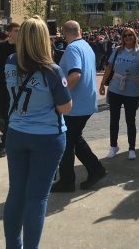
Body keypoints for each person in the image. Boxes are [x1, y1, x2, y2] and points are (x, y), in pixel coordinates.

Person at [3, 17, 72, 249]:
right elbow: (65, 107)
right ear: (44, 39)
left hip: (16, 132)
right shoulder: (52, 70)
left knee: (16, 193)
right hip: (47, 137)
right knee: (37, 197)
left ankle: (13, 245)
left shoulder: (11, 61)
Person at [52, 21, 106, 192]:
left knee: (67, 143)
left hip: (75, 106)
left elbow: (75, 74)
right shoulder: (86, 46)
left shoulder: (73, 48)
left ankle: (68, 181)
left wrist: (59, 93)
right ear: (80, 31)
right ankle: (95, 170)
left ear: (64, 32)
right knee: (74, 139)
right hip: (86, 102)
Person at [99, 27, 139, 160]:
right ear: (122, 38)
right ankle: (113, 146)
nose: (128, 37)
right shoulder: (117, 50)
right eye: (125, 35)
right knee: (114, 120)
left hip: (132, 90)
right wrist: (102, 84)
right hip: (115, 89)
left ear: (135, 36)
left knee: (130, 121)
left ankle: (132, 148)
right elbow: (108, 67)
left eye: (131, 35)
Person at [0, 23, 20, 158]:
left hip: (17, 87)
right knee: (4, 114)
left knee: (11, 115)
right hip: (2, 86)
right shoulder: (1, 47)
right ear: (9, 32)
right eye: (16, 30)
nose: (18, 33)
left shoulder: (22, 47)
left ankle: (4, 144)